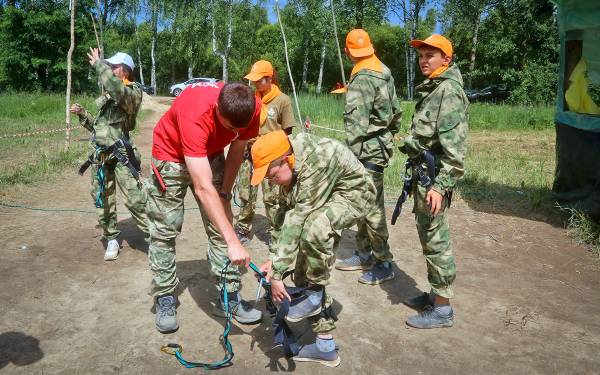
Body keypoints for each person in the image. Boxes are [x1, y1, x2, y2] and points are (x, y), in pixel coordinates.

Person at [253, 130, 393, 367]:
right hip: (324, 195)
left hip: (354, 195)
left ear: (286, 160)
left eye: (271, 175)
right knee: (300, 266)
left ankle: (315, 294)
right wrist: (274, 259)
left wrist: (277, 274)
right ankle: (325, 345)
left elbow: (298, 219)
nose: (270, 181)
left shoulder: (315, 161)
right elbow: (282, 219)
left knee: (314, 229)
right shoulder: (290, 161)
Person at [146, 80, 263, 333]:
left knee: (222, 224)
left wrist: (225, 193)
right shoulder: (196, 113)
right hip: (171, 155)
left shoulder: (251, 107)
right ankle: (164, 295)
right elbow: (201, 186)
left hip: (210, 152)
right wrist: (234, 242)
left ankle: (228, 297)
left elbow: (238, 148)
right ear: (217, 109)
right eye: (229, 126)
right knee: (165, 228)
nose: (233, 131)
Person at [400, 34, 469, 329]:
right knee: (429, 238)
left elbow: (455, 153)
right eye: (421, 55)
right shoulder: (433, 89)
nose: (424, 60)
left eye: (431, 55)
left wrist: (441, 187)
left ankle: (443, 310)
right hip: (423, 176)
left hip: (434, 182)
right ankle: (435, 295)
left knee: (437, 241)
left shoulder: (449, 92)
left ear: (447, 59)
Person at [334, 28, 401, 285]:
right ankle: (363, 253)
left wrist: (350, 157)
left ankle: (383, 261)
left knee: (371, 207)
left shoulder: (361, 76)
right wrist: (385, 136)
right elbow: (396, 112)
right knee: (364, 202)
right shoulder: (384, 71)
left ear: (348, 51)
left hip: (365, 151)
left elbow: (355, 123)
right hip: (378, 147)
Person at [70, 48, 148, 261]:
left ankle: (156, 236)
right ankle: (111, 236)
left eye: (114, 66)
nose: (110, 69)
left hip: (121, 153)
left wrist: (99, 65)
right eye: (109, 66)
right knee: (102, 196)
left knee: (135, 197)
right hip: (100, 154)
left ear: (126, 70)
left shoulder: (132, 92)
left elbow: (118, 91)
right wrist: (83, 115)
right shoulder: (108, 95)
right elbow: (100, 127)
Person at [234, 60, 295, 243]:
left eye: (258, 80)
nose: (254, 84)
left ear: (269, 79)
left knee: (272, 198)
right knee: (245, 193)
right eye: (253, 80)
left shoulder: (282, 100)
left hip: (271, 157)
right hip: (249, 153)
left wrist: (273, 147)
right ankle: (243, 228)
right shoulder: (252, 99)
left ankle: (275, 231)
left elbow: (288, 131)